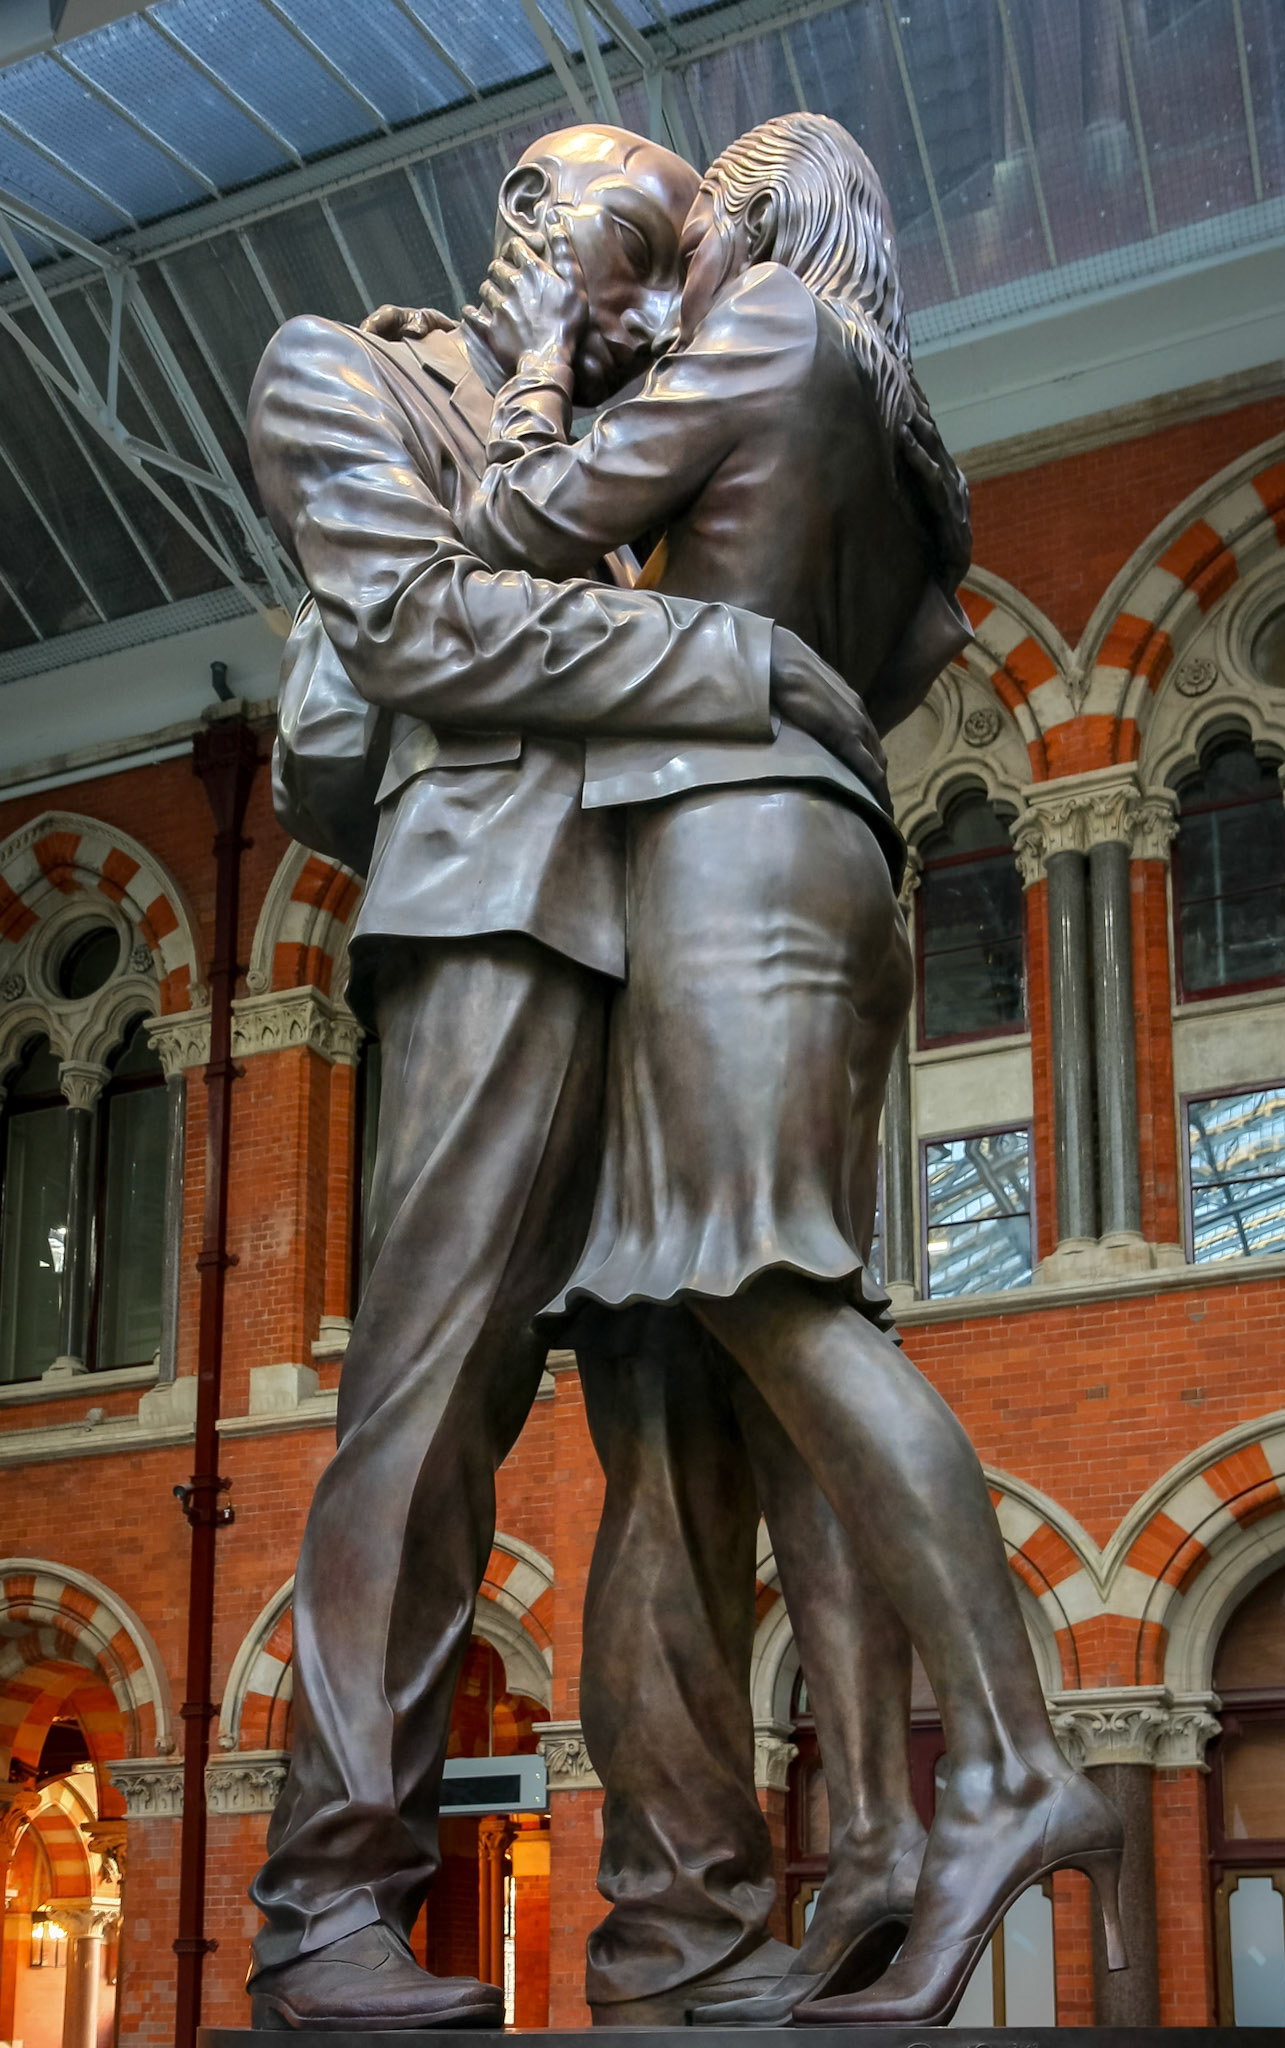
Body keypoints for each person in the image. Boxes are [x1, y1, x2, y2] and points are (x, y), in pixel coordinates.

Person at [245, 123, 926, 2031]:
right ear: (535, 234)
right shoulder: (344, 370)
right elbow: (410, 626)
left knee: (689, 1437)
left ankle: (684, 1932)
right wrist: (731, 665)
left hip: (688, 934)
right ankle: (325, 1914)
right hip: (499, 914)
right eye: (630, 251)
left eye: (674, 263)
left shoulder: (647, 438)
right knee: (434, 1385)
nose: (650, 303)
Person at [459, 110, 1127, 2028]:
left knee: (778, 1304)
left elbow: (522, 533)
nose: (670, 284)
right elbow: (905, 650)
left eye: (692, 244)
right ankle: (885, 1845)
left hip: (732, 846)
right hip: (835, 846)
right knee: (776, 1325)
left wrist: (539, 374)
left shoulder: (766, 338)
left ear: (755, 223)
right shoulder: (902, 446)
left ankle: (1003, 1770)